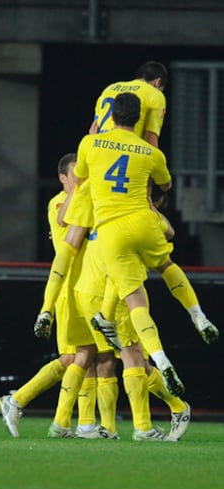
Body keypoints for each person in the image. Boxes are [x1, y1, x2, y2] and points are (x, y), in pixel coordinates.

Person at [90, 62, 218, 347]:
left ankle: (99, 314)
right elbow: (150, 140)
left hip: (99, 174)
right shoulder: (153, 94)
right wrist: (153, 185)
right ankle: (192, 315)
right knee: (163, 243)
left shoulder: (109, 88)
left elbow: (93, 130)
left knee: (106, 248)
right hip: (129, 186)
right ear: (158, 81)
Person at [75, 92, 186, 397]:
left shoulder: (88, 158)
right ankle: (194, 317)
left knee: (91, 357)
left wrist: (47, 306)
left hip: (90, 278)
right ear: (138, 118)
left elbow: (68, 244)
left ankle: (85, 424)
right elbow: (169, 222)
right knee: (125, 353)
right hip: (137, 227)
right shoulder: (148, 154)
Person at [0, 154, 97, 438]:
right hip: (67, 291)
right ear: (63, 178)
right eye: (74, 175)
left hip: (86, 287)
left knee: (86, 356)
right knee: (75, 357)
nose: (80, 179)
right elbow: (68, 225)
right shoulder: (58, 203)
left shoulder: (83, 201)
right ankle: (18, 401)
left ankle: (81, 423)